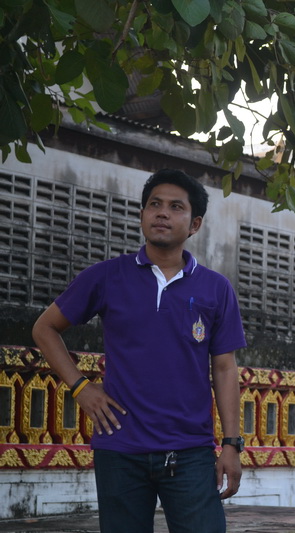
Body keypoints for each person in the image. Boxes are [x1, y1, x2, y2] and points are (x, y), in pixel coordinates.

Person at [32, 169, 247, 533]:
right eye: (154, 204)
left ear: (194, 224)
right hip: (120, 447)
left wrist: (231, 444)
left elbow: (225, 368)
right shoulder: (106, 277)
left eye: (175, 207)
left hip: (190, 450)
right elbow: (44, 328)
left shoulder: (215, 288)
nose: (162, 213)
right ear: (142, 214)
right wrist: (80, 387)